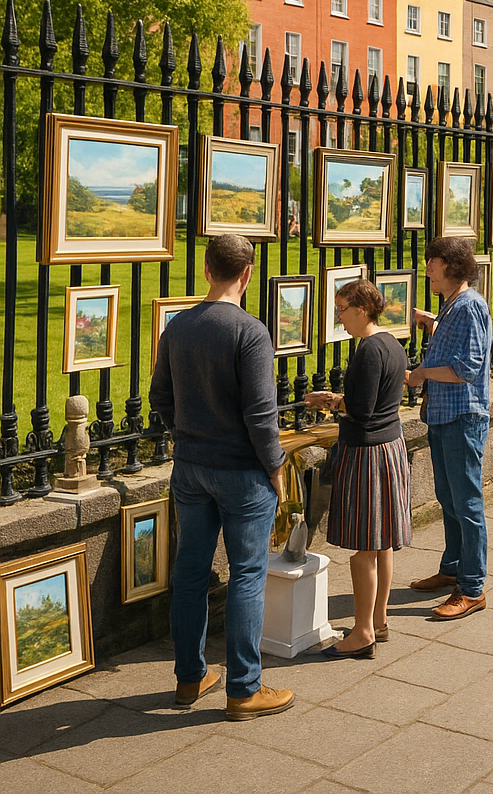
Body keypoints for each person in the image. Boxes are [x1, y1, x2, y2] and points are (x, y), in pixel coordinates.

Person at [150, 235, 293, 721]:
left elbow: (160, 396)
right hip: (242, 473)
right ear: (247, 274)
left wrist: (186, 434)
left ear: (208, 269)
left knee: (190, 572)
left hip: (190, 468)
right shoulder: (250, 332)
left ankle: (190, 677)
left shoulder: (177, 326)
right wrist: (275, 466)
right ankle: (244, 690)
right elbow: (261, 414)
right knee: (247, 575)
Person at [305, 279, 411, 659]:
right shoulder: (393, 344)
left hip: (367, 456)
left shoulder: (368, 349)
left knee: (364, 548)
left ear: (361, 310)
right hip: (390, 448)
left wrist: (333, 403)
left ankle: (363, 633)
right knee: (381, 544)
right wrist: (336, 397)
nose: (339, 318)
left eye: (342, 310)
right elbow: (378, 400)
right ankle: (378, 620)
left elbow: (362, 410)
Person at [405, 237, 493, 619]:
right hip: (444, 416)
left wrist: (421, 373)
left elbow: (467, 368)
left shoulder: (470, 305)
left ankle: (472, 588)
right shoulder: (454, 303)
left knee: (467, 504)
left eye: (433, 261)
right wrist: (432, 322)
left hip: (462, 418)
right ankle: (453, 568)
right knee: (449, 498)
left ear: (451, 266)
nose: (427, 268)